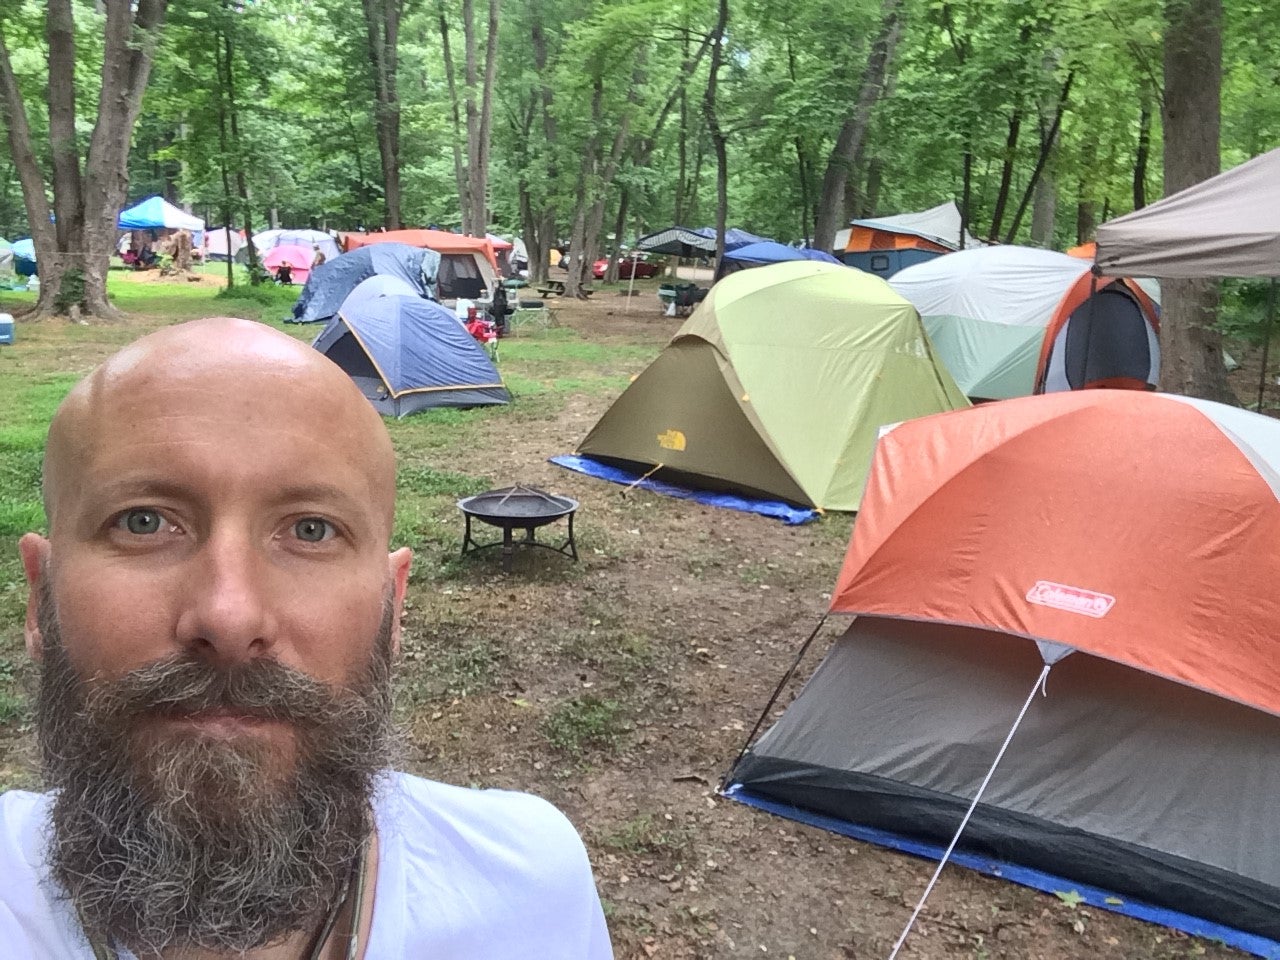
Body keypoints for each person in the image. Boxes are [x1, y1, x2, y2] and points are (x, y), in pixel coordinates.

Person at [5, 317, 613, 959]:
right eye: (144, 521)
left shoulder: (529, 897)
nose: (230, 617)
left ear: (392, 606)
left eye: (311, 530)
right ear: (40, 597)